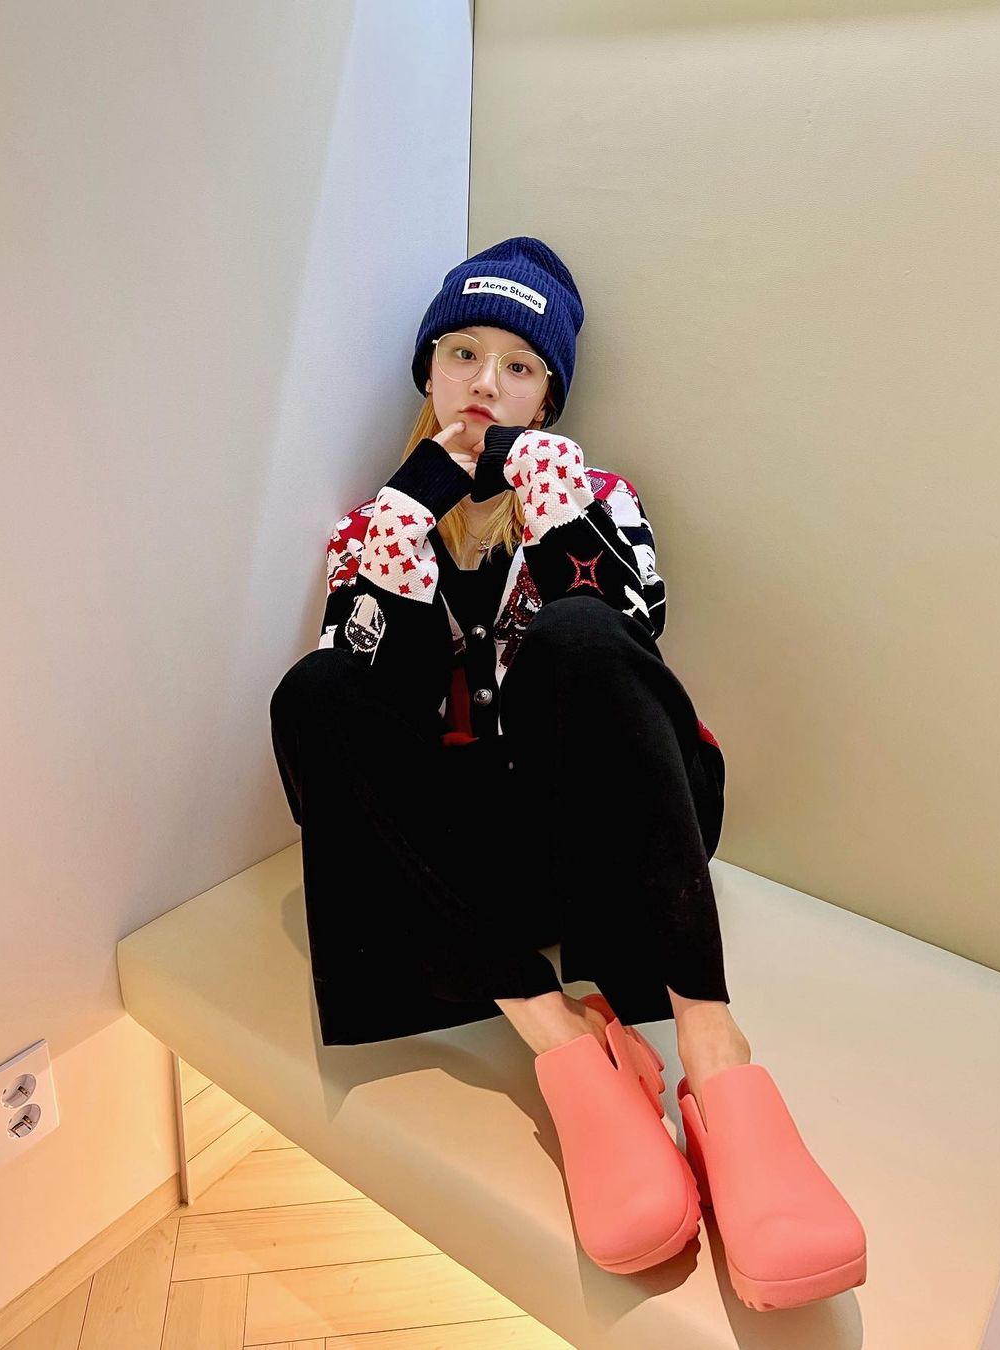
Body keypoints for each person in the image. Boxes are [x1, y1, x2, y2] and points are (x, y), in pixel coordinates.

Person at [269, 236, 866, 1299]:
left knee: (580, 631)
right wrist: (417, 505)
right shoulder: (374, 526)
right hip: (465, 869)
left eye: (519, 366)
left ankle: (712, 1050)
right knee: (313, 693)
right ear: (428, 370)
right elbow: (375, 712)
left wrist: (546, 500)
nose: (485, 384)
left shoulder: (600, 496)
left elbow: (624, 651)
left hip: (603, 830)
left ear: (547, 397)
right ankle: (560, 1039)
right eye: (462, 353)